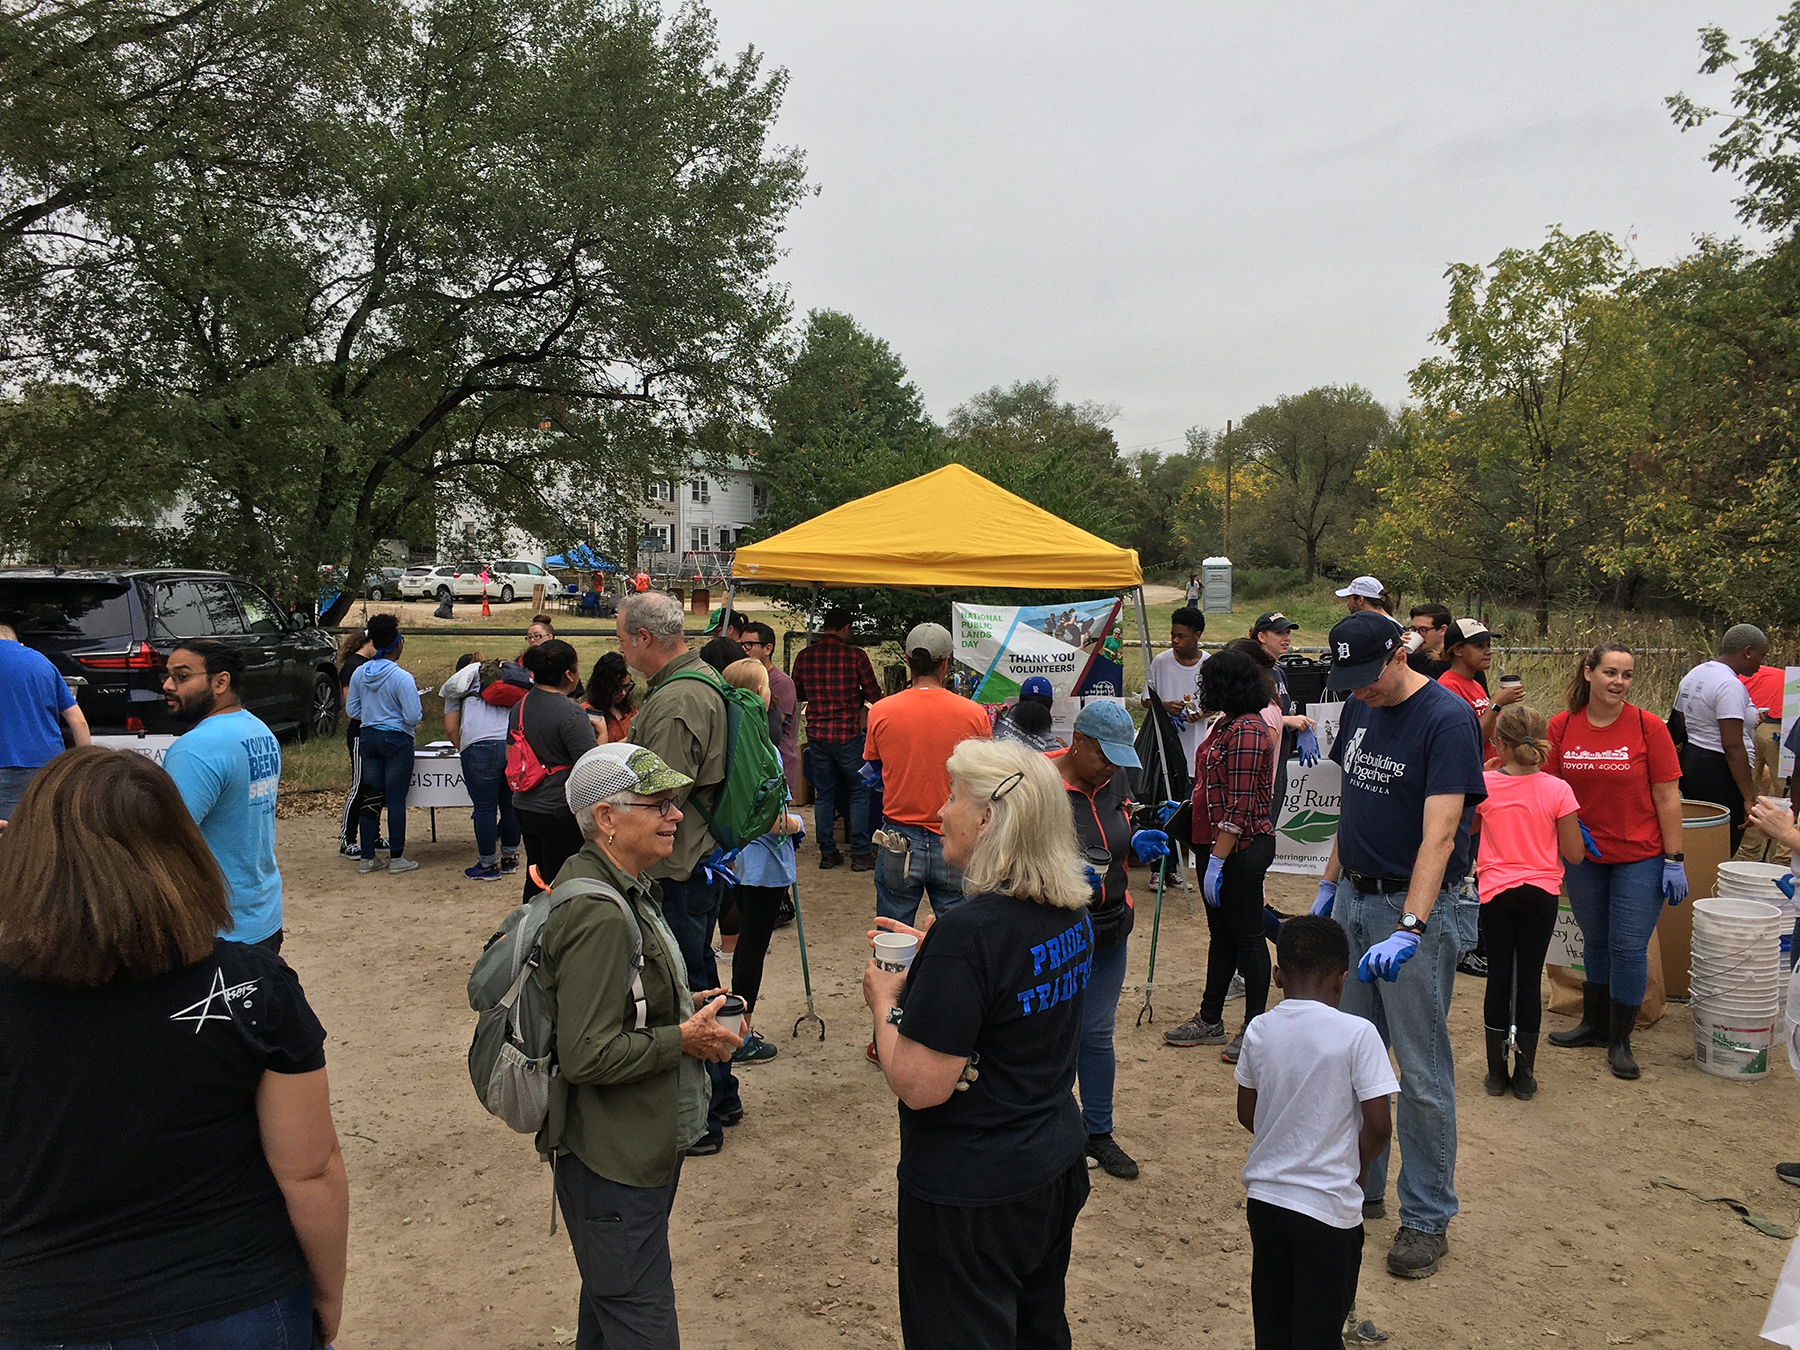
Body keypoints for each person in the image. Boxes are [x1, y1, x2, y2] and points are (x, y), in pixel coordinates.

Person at [0, 747, 348, 1347]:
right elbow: (310, 1170)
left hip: (41, 1308)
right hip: (237, 1302)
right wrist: (326, 1297)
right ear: (182, 846)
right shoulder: (254, 985)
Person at [861, 740, 1093, 1349]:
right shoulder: (1070, 908)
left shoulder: (969, 935)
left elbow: (919, 1084)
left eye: (953, 797)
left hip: (974, 1190)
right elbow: (1014, 997)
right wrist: (938, 963)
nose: (940, 812)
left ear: (989, 818)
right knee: (1038, 1329)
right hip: (1051, 1159)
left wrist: (885, 1000)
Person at [538, 743, 741, 1350]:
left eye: (674, 802)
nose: (675, 815)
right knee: (639, 1316)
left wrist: (681, 999)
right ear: (605, 818)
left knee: (611, 1304)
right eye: (656, 804)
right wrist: (683, 1036)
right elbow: (586, 1053)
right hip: (613, 1158)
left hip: (625, 1149)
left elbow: (614, 999)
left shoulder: (620, 884)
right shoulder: (600, 911)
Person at [1311, 611, 1485, 1280]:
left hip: (1409, 909)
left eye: (1368, 677)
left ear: (1398, 654)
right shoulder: (1359, 708)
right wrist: (1330, 887)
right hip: (1356, 895)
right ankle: (1364, 1182)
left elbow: (1440, 836)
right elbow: (1350, 804)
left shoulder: (1445, 720)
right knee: (1355, 1056)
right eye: (1349, 681)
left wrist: (1411, 926)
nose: (1361, 691)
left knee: (1420, 1069)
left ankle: (1428, 1216)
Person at [1233, 917, 1397, 1350]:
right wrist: (1355, 1163)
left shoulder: (1258, 1029)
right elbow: (1379, 1125)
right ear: (1342, 981)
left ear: (1277, 976)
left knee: (1272, 1325)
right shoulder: (1358, 1033)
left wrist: (1287, 1134)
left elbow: (1247, 1111)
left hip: (1266, 1202)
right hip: (1328, 1212)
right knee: (1319, 1332)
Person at [620, 590, 742, 1155]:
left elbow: (656, 793)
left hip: (677, 867)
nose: (620, 650)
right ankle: (723, 1096)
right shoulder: (693, 684)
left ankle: (707, 1114)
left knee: (685, 988)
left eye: (622, 638)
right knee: (696, 977)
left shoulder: (676, 702)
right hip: (694, 860)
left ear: (644, 638)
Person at [1545, 641, 1687, 1080]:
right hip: (1584, 854)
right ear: (1588, 673)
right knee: (1595, 941)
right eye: (1610, 672)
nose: (1619, 682)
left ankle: (1620, 1040)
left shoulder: (1647, 727)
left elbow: (1667, 796)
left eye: (1626, 675)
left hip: (1639, 856)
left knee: (1627, 945)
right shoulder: (1562, 726)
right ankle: (1593, 1024)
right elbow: (1548, 790)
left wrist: (1674, 857)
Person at [1050, 700, 1156, 1181]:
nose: (1112, 767)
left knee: (1095, 1033)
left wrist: (1136, 842)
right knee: (1050, 1033)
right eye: (1105, 757)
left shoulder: (1116, 779)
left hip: (1111, 926)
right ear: (1079, 742)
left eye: (1120, 758)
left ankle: (1098, 1131)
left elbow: (1117, 832)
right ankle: (1047, 1127)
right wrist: (1060, 878)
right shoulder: (1039, 784)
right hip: (1054, 932)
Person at [1164, 649, 1277, 1063]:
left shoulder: (1248, 729)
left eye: (1208, 682)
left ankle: (1253, 1027)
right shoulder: (1227, 722)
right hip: (1218, 845)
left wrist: (1218, 861)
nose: (1202, 689)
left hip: (1241, 848)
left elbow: (1241, 804)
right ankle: (1211, 1017)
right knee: (1223, 935)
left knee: (1248, 937)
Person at [1470, 705, 1586, 1101]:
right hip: (1540, 893)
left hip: (1497, 890)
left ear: (1499, 744)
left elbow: (1468, 826)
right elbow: (1574, 854)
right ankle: (1526, 1074)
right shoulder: (1558, 790)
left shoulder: (1485, 784)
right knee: (1530, 976)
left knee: (1499, 976)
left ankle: (1494, 1073)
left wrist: (1486, 775)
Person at [863, 622, 993, 928]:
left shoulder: (880, 711)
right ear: (946, 662)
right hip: (955, 835)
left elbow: (873, 764)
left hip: (899, 838)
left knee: (891, 935)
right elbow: (985, 775)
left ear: (907, 660)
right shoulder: (974, 714)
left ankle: (889, 975)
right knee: (959, 935)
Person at [160, 640, 287, 948]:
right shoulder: (259, 731)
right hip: (264, 918)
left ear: (220, 681)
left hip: (216, 930)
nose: (167, 685)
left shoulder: (195, 749)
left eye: (182, 676)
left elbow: (162, 841)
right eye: (168, 675)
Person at [718, 658, 798, 1065]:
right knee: (752, 945)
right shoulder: (762, 750)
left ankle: (736, 1025)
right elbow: (769, 818)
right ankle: (741, 1031)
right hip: (762, 863)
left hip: (732, 860)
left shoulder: (728, 740)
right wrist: (797, 821)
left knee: (745, 940)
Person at [791, 607, 883, 871]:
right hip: (848, 734)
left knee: (824, 793)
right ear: (846, 628)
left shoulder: (805, 656)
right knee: (859, 791)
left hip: (818, 734)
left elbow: (797, 693)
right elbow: (875, 695)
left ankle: (828, 852)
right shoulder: (856, 656)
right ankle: (861, 853)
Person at [511, 639, 600, 901]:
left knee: (535, 874)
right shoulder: (571, 713)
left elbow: (511, 754)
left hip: (524, 805)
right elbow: (589, 766)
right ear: (569, 674)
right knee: (561, 879)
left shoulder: (521, 705)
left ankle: (526, 926)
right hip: (558, 810)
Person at [1674, 624, 1768, 854]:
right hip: (1720, 771)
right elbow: (1732, 745)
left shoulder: (1695, 674)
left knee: (1696, 838)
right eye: (1761, 655)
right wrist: (1748, 796)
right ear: (1747, 651)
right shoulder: (1730, 685)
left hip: (1693, 761)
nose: (1761, 662)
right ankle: (1709, 885)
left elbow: (1678, 721)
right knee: (1721, 843)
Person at [344, 614, 422, 876]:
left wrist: (372, 714)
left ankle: (368, 857)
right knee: (396, 798)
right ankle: (397, 857)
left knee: (371, 795)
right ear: (397, 643)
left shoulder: (359, 673)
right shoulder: (402, 678)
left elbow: (352, 709)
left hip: (368, 737)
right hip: (397, 738)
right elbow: (412, 716)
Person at [442, 652, 521, 882]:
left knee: (485, 808)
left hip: (478, 747)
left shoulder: (457, 686)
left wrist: (463, 747)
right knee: (509, 805)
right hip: (510, 746)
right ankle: (510, 857)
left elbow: (450, 727)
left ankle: (488, 864)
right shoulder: (508, 682)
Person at [0, 621, 89, 822]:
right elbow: (78, 721)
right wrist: (85, 768)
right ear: (18, 643)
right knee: (44, 833)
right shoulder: (42, 662)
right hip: (48, 767)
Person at [1436, 618, 1521, 764]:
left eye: (1488, 646)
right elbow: (1470, 739)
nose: (1488, 652)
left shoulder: (1475, 684)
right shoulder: (1448, 687)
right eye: (1479, 646)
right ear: (1458, 650)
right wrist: (1496, 703)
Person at [1141, 606, 1209, 781]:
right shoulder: (1160, 662)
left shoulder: (1208, 664)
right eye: (1173, 635)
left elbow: (1217, 704)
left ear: (1197, 636)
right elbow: (1146, 700)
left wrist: (1201, 713)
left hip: (1195, 746)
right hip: (1163, 752)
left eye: (1181, 636)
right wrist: (1164, 706)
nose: (1175, 641)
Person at [333, 626, 384, 860]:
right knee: (359, 785)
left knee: (375, 786)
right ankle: (347, 839)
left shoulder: (371, 665)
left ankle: (372, 834)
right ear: (370, 641)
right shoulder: (353, 667)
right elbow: (350, 703)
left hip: (376, 730)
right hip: (359, 733)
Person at [1736, 659, 1787, 861]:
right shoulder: (1783, 677)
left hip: (1749, 728)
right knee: (1787, 794)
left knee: (1748, 791)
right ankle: (1784, 855)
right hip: (1779, 729)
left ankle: (1747, 850)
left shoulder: (1737, 674)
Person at [741, 621, 799, 795]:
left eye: (750, 644)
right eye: (741, 644)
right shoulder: (743, 675)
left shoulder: (781, 682)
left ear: (768, 649)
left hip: (778, 759)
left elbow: (773, 724)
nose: (744, 649)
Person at [582, 650, 638, 744]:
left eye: (628, 687)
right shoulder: (586, 713)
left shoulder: (629, 711)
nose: (623, 693)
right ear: (603, 686)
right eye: (617, 689)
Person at [1407, 603, 1454, 680]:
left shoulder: (1457, 662)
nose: (1417, 634)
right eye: (1413, 629)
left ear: (1442, 630)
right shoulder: (1413, 659)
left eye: (1423, 630)